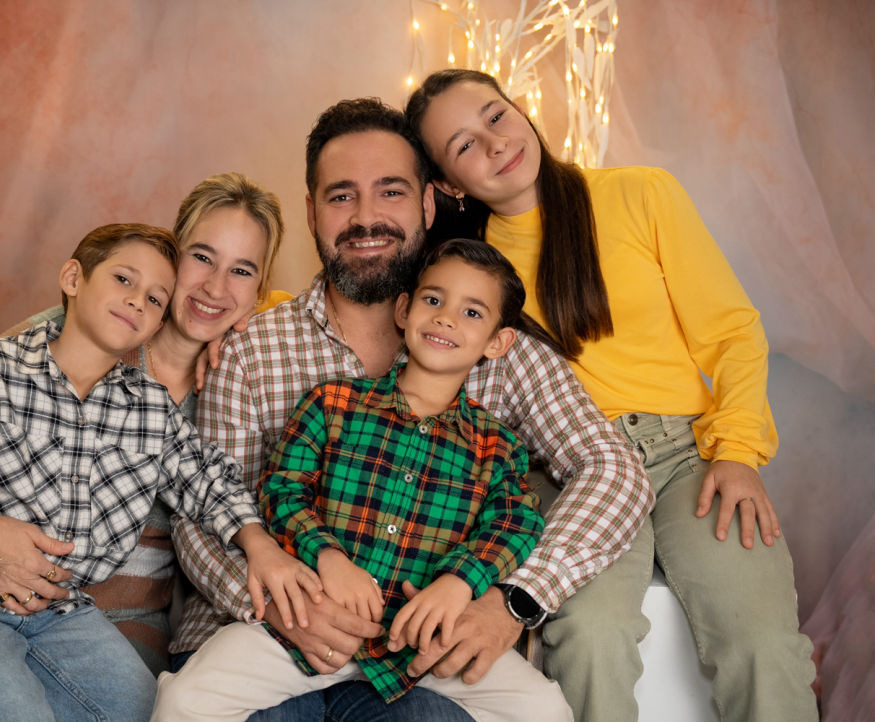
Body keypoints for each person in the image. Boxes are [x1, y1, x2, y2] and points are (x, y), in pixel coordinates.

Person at [172, 97, 652, 720]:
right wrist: (282, 603)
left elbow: (612, 472)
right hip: (264, 630)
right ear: (312, 212)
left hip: (419, 649)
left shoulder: (497, 351)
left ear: (428, 203)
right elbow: (205, 508)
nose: (366, 217)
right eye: (342, 196)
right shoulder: (252, 349)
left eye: (391, 192)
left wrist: (510, 600)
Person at [405, 68, 818, 721]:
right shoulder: (469, 267)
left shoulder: (639, 193)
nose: (494, 143)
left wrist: (737, 451)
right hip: (567, 473)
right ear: (449, 183)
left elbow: (732, 333)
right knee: (589, 636)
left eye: (495, 116)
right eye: (463, 146)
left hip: (687, 455)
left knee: (760, 640)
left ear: (518, 109)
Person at [0, 223, 318, 721]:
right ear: (73, 278)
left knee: (155, 712)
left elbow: (208, 480)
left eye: (155, 299)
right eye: (123, 280)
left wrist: (257, 541)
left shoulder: (149, 409)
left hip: (65, 615)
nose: (137, 301)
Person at [153, 239, 572, 721]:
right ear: (404, 310)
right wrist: (327, 556)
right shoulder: (333, 403)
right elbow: (282, 490)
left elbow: (515, 524)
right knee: (184, 700)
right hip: (306, 627)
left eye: (472, 312)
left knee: (546, 710)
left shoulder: (497, 446)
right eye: (433, 300)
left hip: (420, 645)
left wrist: (459, 582)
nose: (446, 318)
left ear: (498, 343)